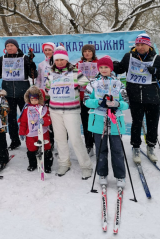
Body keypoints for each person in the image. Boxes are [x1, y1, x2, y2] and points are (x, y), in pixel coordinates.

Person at [113, 33, 160, 163]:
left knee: (152, 124)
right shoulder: (129, 56)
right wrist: (114, 64)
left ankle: (151, 147)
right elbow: (120, 70)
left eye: (143, 44)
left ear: (148, 45)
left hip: (153, 98)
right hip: (135, 97)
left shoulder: (157, 58)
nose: (140, 47)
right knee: (136, 123)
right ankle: (136, 148)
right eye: (138, 44)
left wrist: (157, 71)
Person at [45, 46, 93, 179]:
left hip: (71, 111)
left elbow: (89, 85)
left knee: (75, 138)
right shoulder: (50, 74)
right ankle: (64, 162)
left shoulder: (75, 73)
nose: (59, 62)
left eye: (62, 59)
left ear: (66, 60)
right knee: (60, 138)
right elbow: (47, 90)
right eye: (57, 60)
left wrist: (79, 86)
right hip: (55, 111)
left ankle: (86, 165)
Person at [84, 56, 129, 188]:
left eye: (106, 67)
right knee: (101, 150)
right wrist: (98, 102)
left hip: (115, 123)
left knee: (117, 150)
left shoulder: (119, 83)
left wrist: (117, 103)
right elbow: (86, 101)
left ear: (111, 68)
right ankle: (102, 174)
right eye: (101, 67)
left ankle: (120, 176)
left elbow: (126, 103)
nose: (104, 70)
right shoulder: (93, 83)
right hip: (98, 122)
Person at [0, 38, 37, 150]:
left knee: (28, 117)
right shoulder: (2, 59)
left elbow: (34, 75)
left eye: (11, 45)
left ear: (17, 47)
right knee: (11, 118)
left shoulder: (24, 58)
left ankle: (31, 138)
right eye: (7, 46)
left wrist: (32, 66)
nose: (9, 48)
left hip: (23, 92)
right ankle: (15, 140)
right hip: (8, 93)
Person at [18, 86, 53, 173]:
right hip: (30, 133)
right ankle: (32, 164)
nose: (33, 101)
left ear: (40, 99)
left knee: (46, 148)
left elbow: (49, 120)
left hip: (43, 132)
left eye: (36, 99)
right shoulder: (26, 110)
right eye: (31, 99)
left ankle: (47, 165)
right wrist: (22, 132)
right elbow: (23, 122)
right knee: (31, 148)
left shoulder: (44, 109)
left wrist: (44, 121)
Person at [75, 44, 98, 157]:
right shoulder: (78, 64)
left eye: (89, 51)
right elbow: (74, 77)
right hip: (83, 97)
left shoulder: (99, 63)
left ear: (93, 52)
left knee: (97, 121)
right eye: (85, 51)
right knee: (86, 122)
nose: (87, 53)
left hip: (96, 98)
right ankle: (88, 145)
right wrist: (85, 82)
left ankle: (98, 143)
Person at [35, 42, 56, 150]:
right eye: (46, 50)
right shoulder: (41, 65)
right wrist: (38, 93)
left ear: (54, 51)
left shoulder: (57, 63)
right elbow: (38, 80)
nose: (48, 52)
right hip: (45, 96)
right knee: (46, 119)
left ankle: (60, 143)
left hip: (56, 96)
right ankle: (50, 142)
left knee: (56, 119)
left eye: (50, 50)